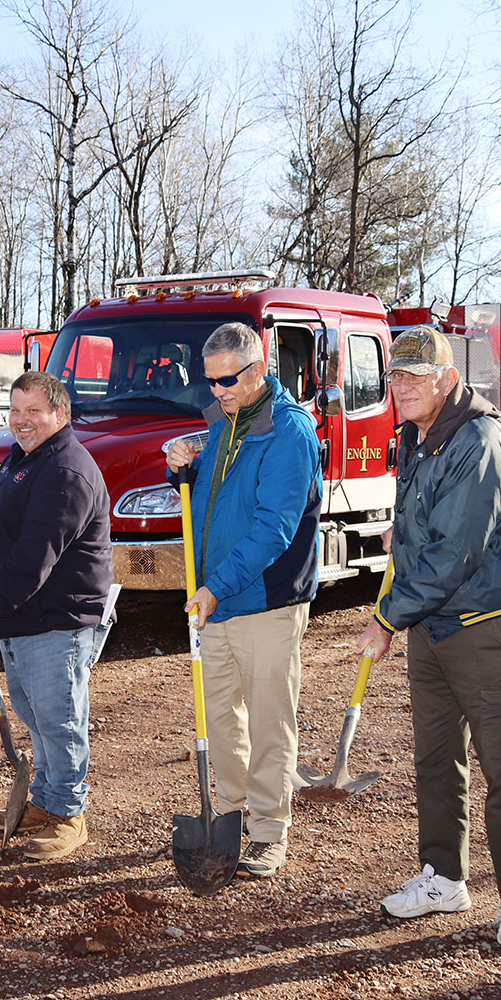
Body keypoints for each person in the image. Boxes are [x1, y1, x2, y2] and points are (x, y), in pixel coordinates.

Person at [357, 325, 501, 951]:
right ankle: (443, 878)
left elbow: (456, 553)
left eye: (417, 375)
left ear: (448, 379)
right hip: (434, 629)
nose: (403, 386)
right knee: (437, 760)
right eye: (396, 375)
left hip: (486, 629)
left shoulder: (478, 440)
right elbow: (433, 527)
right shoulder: (416, 438)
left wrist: (388, 618)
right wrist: (404, 535)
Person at [165, 321, 321, 879]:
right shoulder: (222, 423)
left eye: (227, 380)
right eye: (209, 381)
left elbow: (273, 528)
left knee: (269, 721)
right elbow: (211, 503)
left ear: (258, 370)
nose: (216, 390)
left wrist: (216, 585)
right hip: (215, 600)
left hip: (265, 601)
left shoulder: (289, 432)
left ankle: (269, 831)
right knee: (221, 719)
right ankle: (229, 818)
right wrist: (181, 468)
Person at [0, 371, 113, 861]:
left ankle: (70, 814)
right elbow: (8, 506)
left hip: (58, 620)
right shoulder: (28, 457)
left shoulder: (66, 471)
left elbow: (35, 554)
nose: (21, 421)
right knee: (36, 715)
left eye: (33, 411)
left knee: (59, 719)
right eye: (15, 411)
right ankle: (45, 800)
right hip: (27, 619)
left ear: (60, 414)